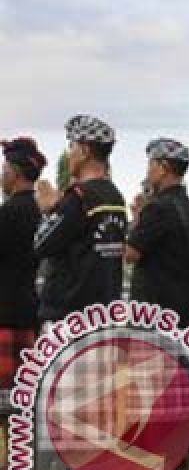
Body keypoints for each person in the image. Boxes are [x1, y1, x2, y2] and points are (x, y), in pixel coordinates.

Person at [33, 115, 127, 325]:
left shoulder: (79, 196)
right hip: (104, 313)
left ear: (84, 151)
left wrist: (48, 210)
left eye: (72, 146)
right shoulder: (116, 197)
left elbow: (41, 245)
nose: (69, 154)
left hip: (71, 316)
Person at [0, 138, 46, 470]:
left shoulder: (12, 211)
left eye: (4, 169)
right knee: (19, 390)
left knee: (8, 393)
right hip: (26, 305)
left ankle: (15, 458)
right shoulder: (37, 210)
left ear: (15, 173)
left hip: (6, 307)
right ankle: (16, 457)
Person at [125, 138, 189, 327]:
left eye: (151, 164)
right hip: (183, 308)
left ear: (163, 167)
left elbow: (131, 253)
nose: (148, 170)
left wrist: (137, 218)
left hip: (154, 312)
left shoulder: (158, 208)